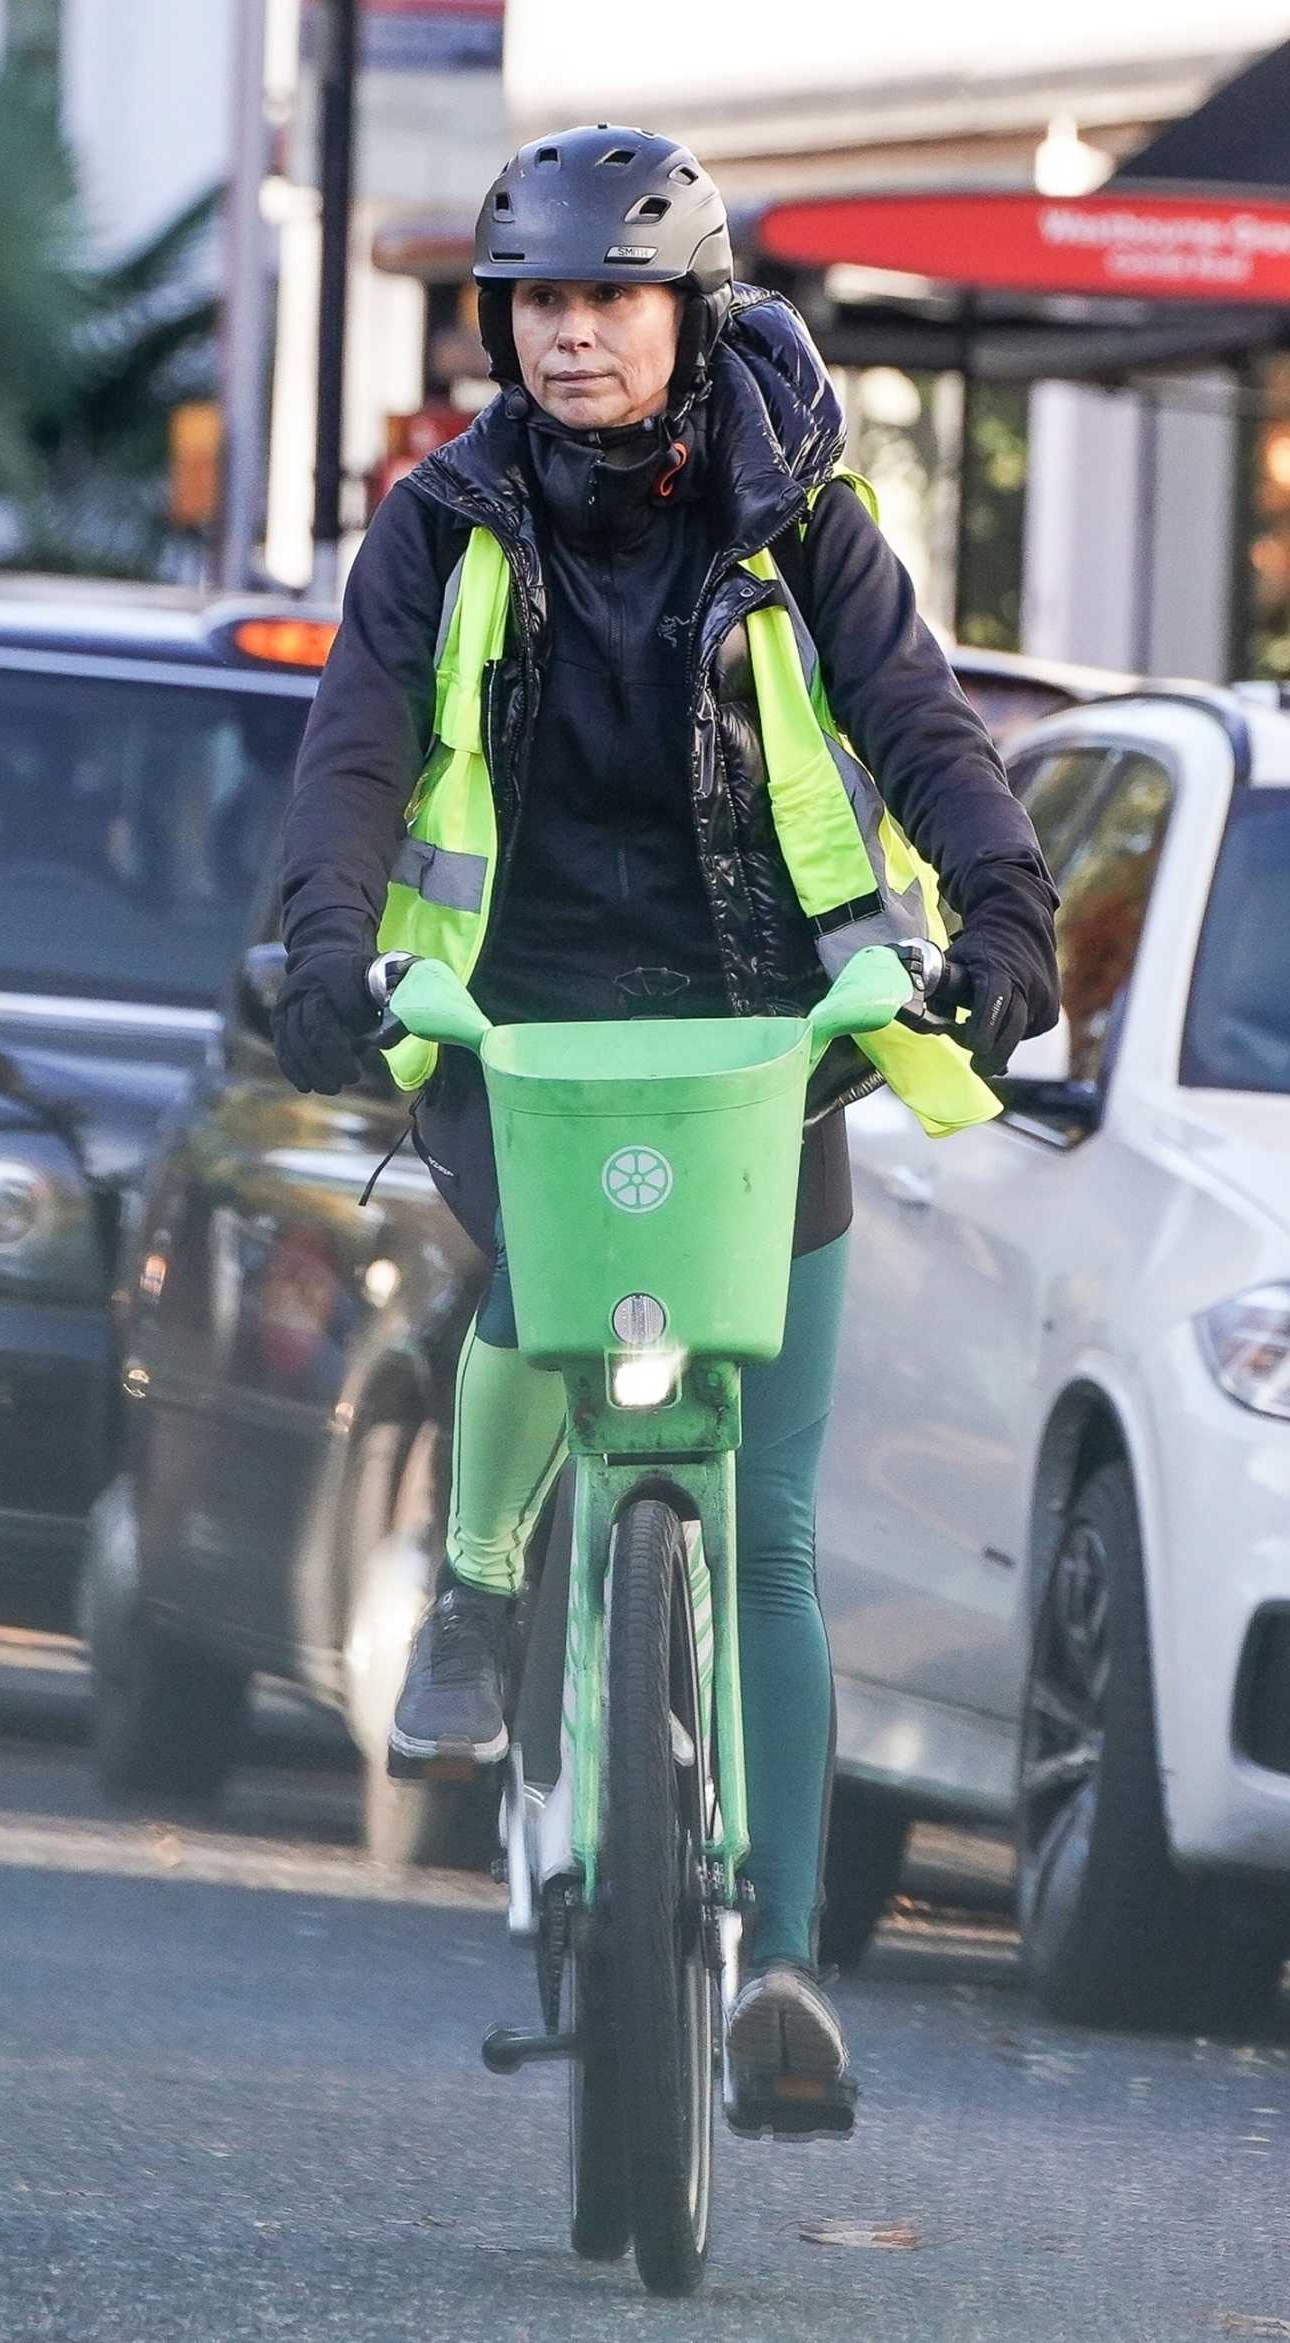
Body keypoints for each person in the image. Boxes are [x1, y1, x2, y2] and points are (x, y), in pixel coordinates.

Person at [272, 125, 1060, 2133]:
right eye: (540, 300)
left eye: (613, 297)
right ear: (502, 327)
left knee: (768, 1525)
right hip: (520, 1016)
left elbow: (920, 724)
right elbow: (355, 754)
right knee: (550, 1309)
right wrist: (326, 945)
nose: (576, 335)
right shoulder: (438, 526)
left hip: (757, 1026)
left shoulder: (798, 519)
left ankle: (779, 1962)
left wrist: (999, 914)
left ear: (685, 317)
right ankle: (472, 1581)